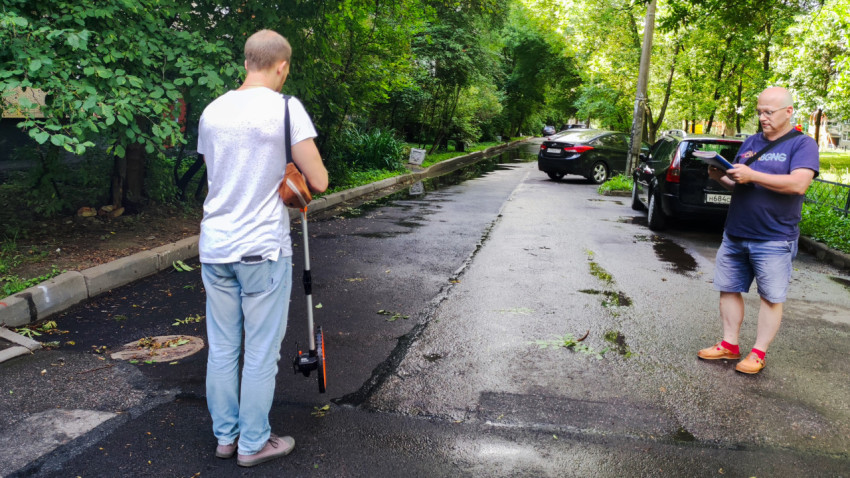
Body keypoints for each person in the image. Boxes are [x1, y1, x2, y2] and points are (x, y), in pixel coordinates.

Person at [196, 30, 328, 467]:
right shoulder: (286, 108)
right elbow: (320, 181)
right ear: (282, 66)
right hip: (262, 250)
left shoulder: (213, 110)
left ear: (246, 61)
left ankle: (225, 438)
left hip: (215, 248)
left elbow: (219, 170)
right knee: (259, 352)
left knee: (223, 347)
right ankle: (254, 443)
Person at [698, 86, 819, 374]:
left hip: (775, 237)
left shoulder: (803, 144)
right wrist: (720, 177)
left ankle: (758, 353)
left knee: (770, 297)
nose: (763, 117)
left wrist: (752, 174)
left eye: (769, 112)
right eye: (759, 112)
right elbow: (742, 183)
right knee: (728, 289)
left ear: (788, 112)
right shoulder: (751, 141)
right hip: (736, 231)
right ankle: (729, 345)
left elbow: (798, 184)